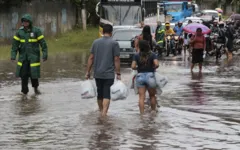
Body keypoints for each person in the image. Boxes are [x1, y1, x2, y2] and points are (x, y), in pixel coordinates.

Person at [85, 24, 121, 117]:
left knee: (99, 94)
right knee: (106, 94)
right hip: (109, 74)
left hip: (97, 73)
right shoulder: (114, 43)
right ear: (111, 32)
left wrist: (88, 72)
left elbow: (91, 58)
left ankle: (101, 111)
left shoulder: (95, 42)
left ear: (102, 32)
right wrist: (118, 73)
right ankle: (104, 113)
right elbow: (116, 59)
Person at [11, 14, 48, 96]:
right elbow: (14, 46)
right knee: (23, 75)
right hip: (23, 58)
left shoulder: (36, 31)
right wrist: (13, 56)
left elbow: (43, 43)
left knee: (33, 75)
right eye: (24, 21)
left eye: (27, 21)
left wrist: (44, 54)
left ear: (30, 22)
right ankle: (24, 93)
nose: (25, 23)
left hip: (34, 57)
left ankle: (35, 88)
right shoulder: (19, 32)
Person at [131, 40, 159, 115]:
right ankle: (153, 112)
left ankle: (142, 115)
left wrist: (138, 68)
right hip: (150, 76)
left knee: (141, 97)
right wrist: (152, 67)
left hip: (140, 76)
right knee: (152, 96)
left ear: (140, 47)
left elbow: (133, 66)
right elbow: (157, 64)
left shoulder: (136, 55)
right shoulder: (152, 54)